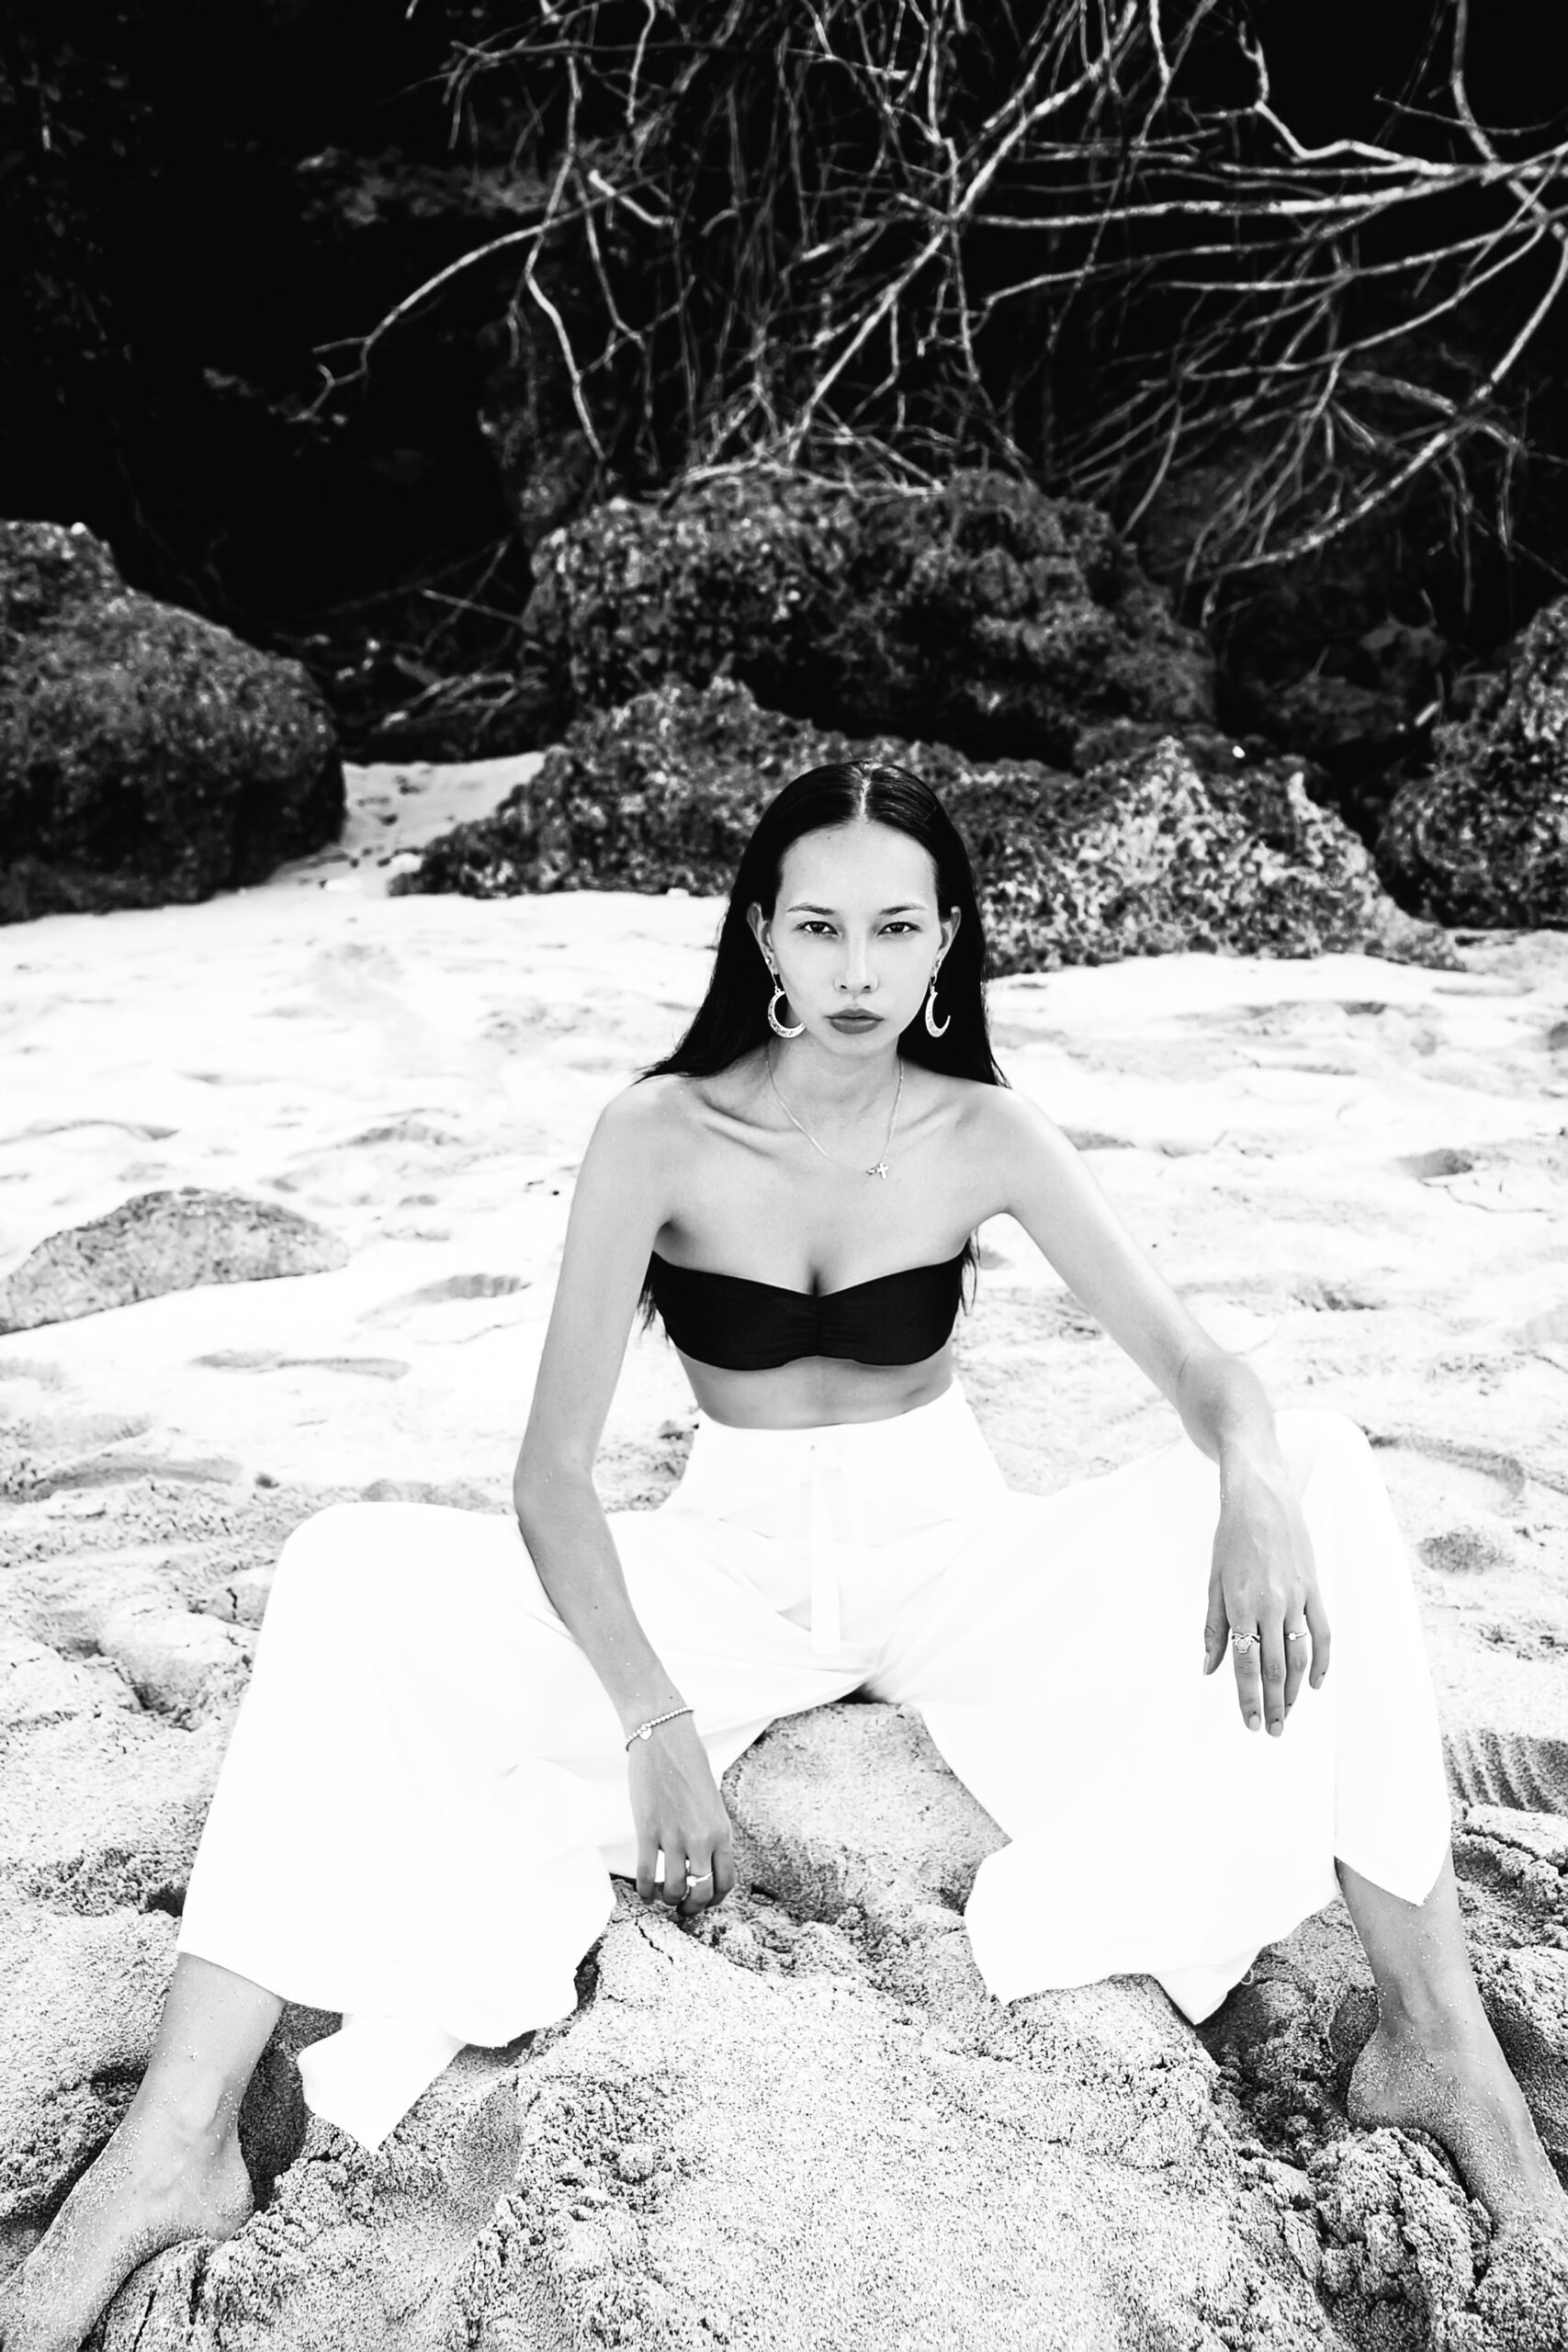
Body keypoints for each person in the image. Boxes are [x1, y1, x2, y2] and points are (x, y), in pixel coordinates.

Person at [3, 760, 1562, 2350]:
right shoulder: (658, 1134)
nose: (860, 970)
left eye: (898, 928)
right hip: (727, 1577)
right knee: (342, 1568)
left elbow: (1204, 1368)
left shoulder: (985, 1132)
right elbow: (550, 1477)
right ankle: (176, 2138)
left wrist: (1249, 1476)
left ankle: (1434, 2035)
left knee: (1329, 1471)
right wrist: (654, 1720)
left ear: (949, 937)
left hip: (962, 1571)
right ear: (762, 932)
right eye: (821, 928)